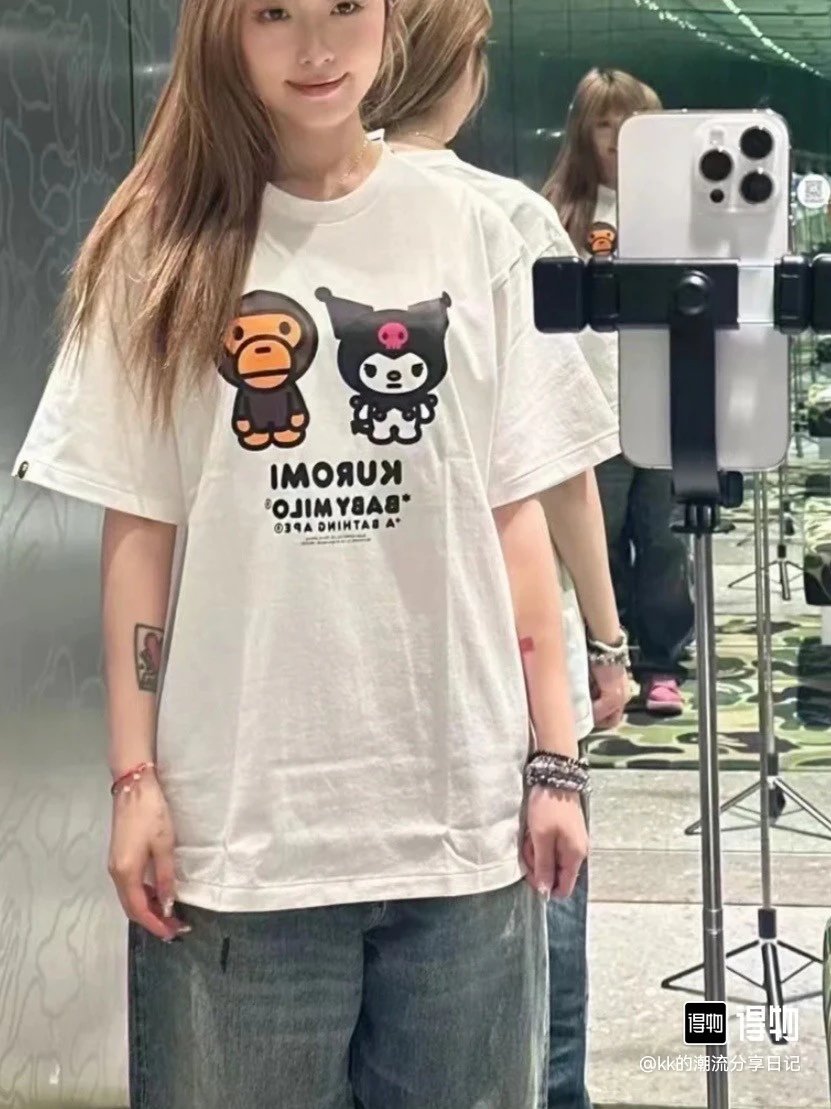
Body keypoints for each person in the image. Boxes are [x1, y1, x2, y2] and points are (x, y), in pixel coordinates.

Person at [11, 2, 619, 1106]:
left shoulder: (479, 228)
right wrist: (134, 777)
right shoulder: (158, 241)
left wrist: (556, 761)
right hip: (238, 846)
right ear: (222, 31)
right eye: (274, 14)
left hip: (461, 832)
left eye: (345, 7)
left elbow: (515, 518)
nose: (317, 47)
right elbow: (139, 532)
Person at [364, 7, 630, 1107]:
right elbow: (560, 468)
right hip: (504, 646)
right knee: (535, 930)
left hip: (352, 653)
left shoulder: (285, 211)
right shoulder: (504, 216)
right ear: (465, 73)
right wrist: (607, 640)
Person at [543, 68, 695, 717]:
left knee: (662, 540)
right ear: (583, 129)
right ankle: (607, 657)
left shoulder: (679, 210)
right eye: (602, 122)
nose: (614, 136)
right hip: (588, 409)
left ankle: (662, 661)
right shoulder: (556, 211)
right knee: (593, 542)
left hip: (664, 404)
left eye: (628, 121)